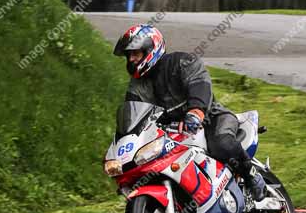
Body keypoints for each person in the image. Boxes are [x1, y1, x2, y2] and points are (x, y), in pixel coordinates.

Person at [113, 24, 267, 201]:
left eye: (135, 53)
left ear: (150, 48)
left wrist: (196, 111)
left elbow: (200, 84)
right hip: (173, 135)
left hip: (211, 118)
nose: (131, 59)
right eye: (128, 55)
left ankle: (251, 175)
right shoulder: (136, 87)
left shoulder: (180, 62)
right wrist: (123, 144)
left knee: (221, 144)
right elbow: (133, 116)